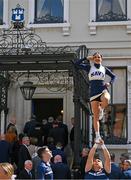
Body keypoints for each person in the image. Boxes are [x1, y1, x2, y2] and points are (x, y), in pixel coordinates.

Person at [75, 52, 116, 143]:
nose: (97, 58)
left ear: (101, 59)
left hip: (102, 90)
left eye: (98, 57)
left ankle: (101, 108)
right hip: (93, 93)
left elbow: (114, 76)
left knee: (106, 99)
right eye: (95, 57)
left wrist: (110, 83)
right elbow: (76, 64)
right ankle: (97, 136)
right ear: (93, 59)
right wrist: (86, 58)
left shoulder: (104, 69)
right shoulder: (89, 67)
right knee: (96, 117)